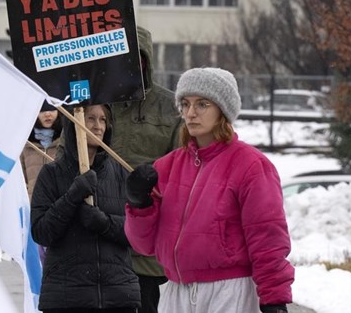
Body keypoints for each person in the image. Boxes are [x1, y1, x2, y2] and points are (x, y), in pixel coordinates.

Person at [124, 67, 295, 313]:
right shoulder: (167, 166)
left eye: (202, 104)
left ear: (222, 110)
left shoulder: (251, 165)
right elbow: (144, 246)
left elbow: (267, 238)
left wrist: (274, 299)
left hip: (229, 290)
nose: (191, 113)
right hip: (176, 291)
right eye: (185, 104)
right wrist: (139, 204)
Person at [31, 104, 141, 313]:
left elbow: (138, 234)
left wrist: (104, 223)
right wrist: (72, 196)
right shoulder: (51, 173)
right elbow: (41, 232)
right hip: (67, 297)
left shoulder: (120, 173)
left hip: (117, 297)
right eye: (90, 118)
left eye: (103, 120)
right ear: (74, 123)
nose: (98, 126)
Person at [109, 26, 182, 313]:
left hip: (144, 254)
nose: (129, 64)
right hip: (97, 246)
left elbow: (182, 171)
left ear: (146, 59)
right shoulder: (93, 103)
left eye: (135, 57)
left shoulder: (171, 107)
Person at [20, 106, 63, 199]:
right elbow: (21, 182)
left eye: (51, 108)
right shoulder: (26, 145)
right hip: (34, 206)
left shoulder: (65, 143)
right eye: (42, 109)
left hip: (60, 205)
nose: (47, 114)